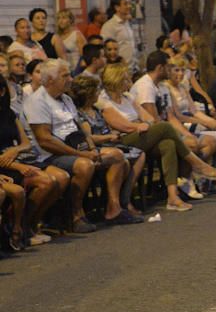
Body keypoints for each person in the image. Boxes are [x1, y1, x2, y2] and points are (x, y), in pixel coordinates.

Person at [99, 63, 216, 212]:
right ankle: (197, 163)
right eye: (126, 79)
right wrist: (137, 125)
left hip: (141, 134)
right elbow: (121, 125)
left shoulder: (127, 96)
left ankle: (173, 197)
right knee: (165, 127)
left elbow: (149, 118)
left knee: (168, 144)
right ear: (116, 80)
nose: (129, 83)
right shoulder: (103, 99)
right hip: (123, 139)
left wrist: (141, 124)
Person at [24, 59, 131, 231]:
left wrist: (91, 148)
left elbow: (80, 127)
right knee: (85, 165)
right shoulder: (37, 101)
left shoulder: (65, 98)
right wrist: (82, 155)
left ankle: (113, 208)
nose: (70, 79)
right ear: (50, 79)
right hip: (51, 155)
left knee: (117, 156)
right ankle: (75, 215)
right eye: (65, 75)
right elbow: (45, 140)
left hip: (76, 147)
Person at [68, 75, 145, 221]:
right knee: (123, 159)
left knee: (137, 155)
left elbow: (105, 128)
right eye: (96, 90)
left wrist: (112, 133)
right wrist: (109, 137)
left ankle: (122, 201)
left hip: (109, 143)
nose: (99, 93)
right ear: (89, 94)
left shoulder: (96, 110)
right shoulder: (81, 114)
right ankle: (117, 205)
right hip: (96, 147)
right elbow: (89, 137)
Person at [164, 60, 216, 192]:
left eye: (182, 70)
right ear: (168, 71)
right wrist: (204, 123)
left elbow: (195, 111)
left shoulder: (182, 88)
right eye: (176, 70)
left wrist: (211, 121)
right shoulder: (167, 89)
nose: (180, 74)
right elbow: (178, 116)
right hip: (181, 125)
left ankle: (212, 176)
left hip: (192, 120)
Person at [0, 79, 66, 246]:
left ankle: (29, 225)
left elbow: (26, 143)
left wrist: (15, 150)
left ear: (2, 92)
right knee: (45, 182)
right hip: (6, 165)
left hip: (17, 158)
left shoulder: (9, 114)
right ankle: (18, 226)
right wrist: (18, 166)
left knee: (60, 178)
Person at [100, 0, 137, 74]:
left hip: (133, 68)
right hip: (119, 70)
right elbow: (106, 50)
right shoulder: (109, 26)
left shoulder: (128, 23)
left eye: (129, 3)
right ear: (117, 7)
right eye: (125, 4)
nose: (129, 6)